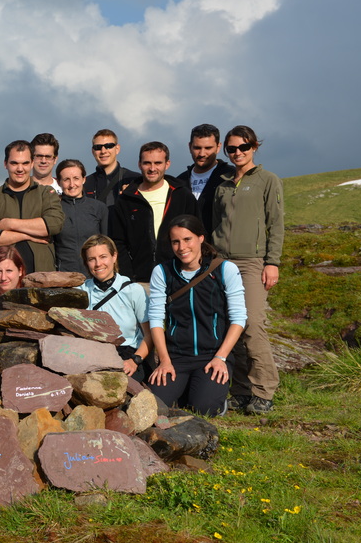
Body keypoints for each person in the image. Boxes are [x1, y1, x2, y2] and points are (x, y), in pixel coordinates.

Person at [212, 125, 284, 414]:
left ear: (254, 147)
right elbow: (216, 224)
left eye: (243, 147)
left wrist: (272, 262)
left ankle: (264, 390)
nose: (238, 152)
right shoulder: (222, 184)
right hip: (221, 263)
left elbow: (275, 223)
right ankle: (241, 391)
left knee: (252, 324)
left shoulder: (268, 180)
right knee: (232, 325)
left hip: (252, 262)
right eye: (232, 148)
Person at [148, 216, 246, 416]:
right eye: (175, 242)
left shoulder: (225, 269)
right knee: (154, 404)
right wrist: (164, 360)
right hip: (176, 357)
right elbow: (156, 319)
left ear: (201, 238)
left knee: (205, 408)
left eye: (187, 239)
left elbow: (238, 318)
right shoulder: (162, 272)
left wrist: (221, 357)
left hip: (213, 355)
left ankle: (209, 396)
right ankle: (186, 390)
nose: (182, 247)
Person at [109, 141, 197, 284]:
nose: (152, 168)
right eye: (147, 163)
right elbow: (118, 242)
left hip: (178, 279)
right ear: (139, 164)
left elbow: (197, 237)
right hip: (139, 281)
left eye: (158, 163)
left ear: (167, 164)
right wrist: (128, 278)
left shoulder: (183, 196)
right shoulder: (125, 200)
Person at [0, 139, 64, 274]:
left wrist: (9, 224)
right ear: (5, 164)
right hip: (4, 280)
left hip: (43, 277)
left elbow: (54, 224)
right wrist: (27, 236)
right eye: (14, 163)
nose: (20, 169)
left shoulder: (46, 194)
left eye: (25, 163)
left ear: (32, 163)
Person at [80, 235, 151, 380]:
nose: (98, 264)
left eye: (103, 257)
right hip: (92, 354)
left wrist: (134, 361)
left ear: (114, 256)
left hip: (127, 354)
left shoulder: (133, 291)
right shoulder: (81, 291)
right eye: (92, 259)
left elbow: (150, 335)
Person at [175, 123, 235, 233]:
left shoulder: (231, 176)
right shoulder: (179, 182)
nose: (202, 153)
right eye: (197, 148)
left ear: (218, 147)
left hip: (220, 243)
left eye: (208, 148)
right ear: (189, 147)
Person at [54, 160, 108, 274]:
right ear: (58, 182)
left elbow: (107, 244)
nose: (72, 184)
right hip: (63, 275)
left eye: (76, 178)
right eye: (66, 179)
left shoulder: (99, 208)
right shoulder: (53, 209)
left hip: (94, 274)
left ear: (84, 179)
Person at [83, 129, 139, 205]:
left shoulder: (134, 180)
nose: (103, 151)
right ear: (93, 151)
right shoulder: (85, 184)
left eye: (109, 146)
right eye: (98, 147)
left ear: (117, 149)